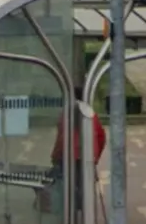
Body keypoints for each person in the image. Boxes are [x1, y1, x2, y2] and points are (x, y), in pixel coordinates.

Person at [39, 87, 107, 215]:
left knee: (67, 183)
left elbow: (61, 139)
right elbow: (101, 137)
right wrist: (95, 157)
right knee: (83, 185)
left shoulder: (66, 114)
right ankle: (82, 210)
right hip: (87, 157)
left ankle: (70, 210)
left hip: (70, 157)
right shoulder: (91, 114)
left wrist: (55, 156)